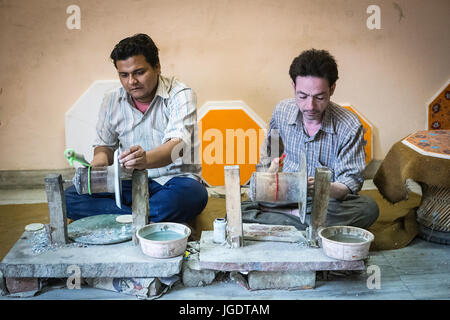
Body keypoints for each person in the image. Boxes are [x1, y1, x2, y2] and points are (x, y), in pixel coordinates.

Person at [65, 33, 208, 224]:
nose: (131, 81)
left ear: (157, 67)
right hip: (128, 182)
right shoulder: (111, 100)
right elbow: (104, 146)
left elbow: (176, 148)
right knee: (70, 198)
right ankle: (142, 217)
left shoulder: (181, 94)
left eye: (139, 72)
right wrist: (99, 164)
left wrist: (145, 159)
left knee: (192, 196)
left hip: (174, 181)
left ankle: (119, 217)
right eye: (124, 75)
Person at [245, 48, 379, 230]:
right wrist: (270, 179)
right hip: (286, 196)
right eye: (302, 96)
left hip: (328, 201)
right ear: (293, 87)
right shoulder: (282, 111)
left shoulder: (349, 125)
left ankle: (284, 221)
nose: (310, 106)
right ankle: (308, 223)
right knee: (240, 207)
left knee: (368, 209)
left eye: (319, 97)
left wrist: (320, 186)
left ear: (332, 89)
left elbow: (348, 184)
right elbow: (270, 154)